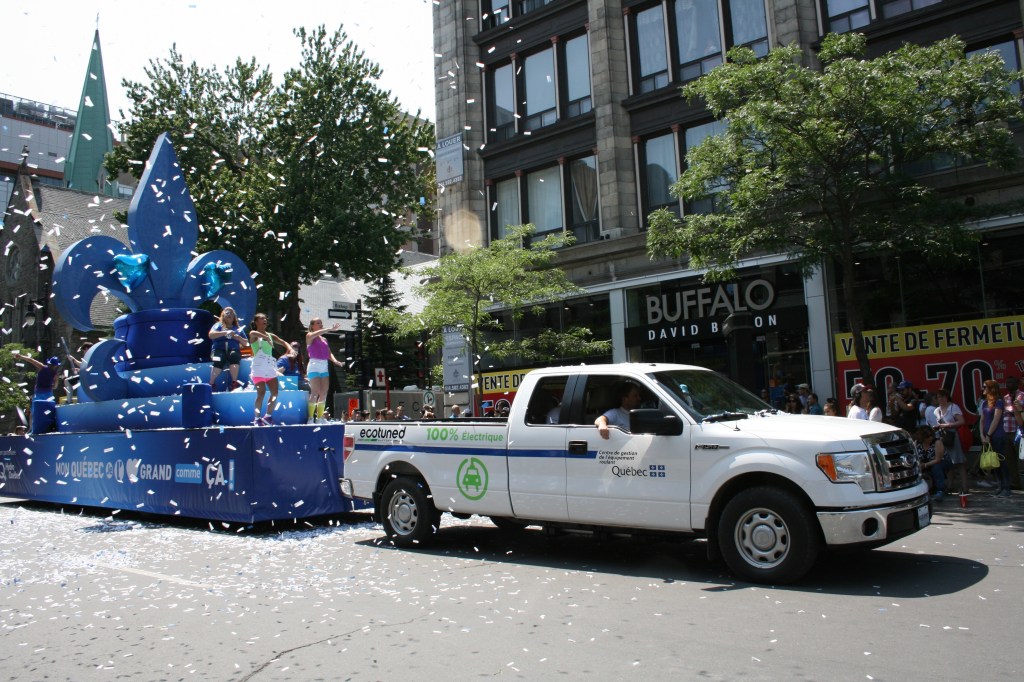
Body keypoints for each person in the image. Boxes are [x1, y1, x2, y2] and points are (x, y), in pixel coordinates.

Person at [248, 313, 291, 425]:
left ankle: (268, 416)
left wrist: (290, 348)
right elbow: (253, 333)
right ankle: (257, 418)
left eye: (265, 318)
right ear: (256, 322)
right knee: (261, 393)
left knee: (275, 393)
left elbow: (283, 342)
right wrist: (265, 337)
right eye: (261, 318)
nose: (264, 320)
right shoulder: (254, 334)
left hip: (270, 368)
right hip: (258, 368)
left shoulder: (271, 335)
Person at [305, 317, 344, 423]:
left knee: (324, 393)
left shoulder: (324, 339)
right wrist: (329, 329)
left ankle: (319, 418)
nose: (321, 324)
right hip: (314, 365)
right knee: (315, 392)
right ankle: (310, 418)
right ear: (312, 326)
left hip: (324, 365)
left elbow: (329, 353)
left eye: (321, 323)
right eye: (318, 323)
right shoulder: (309, 336)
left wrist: (335, 361)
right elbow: (316, 334)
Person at [978, 378, 1010, 497]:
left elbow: (996, 419)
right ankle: (1000, 486)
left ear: (991, 388)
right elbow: (981, 420)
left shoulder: (999, 402)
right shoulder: (984, 403)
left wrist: (988, 435)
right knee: (994, 463)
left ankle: (1006, 487)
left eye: (985, 387)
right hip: (987, 436)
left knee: (1001, 462)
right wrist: (982, 435)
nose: (983, 389)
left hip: (997, 436)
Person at [934, 388, 968, 495]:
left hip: (953, 436)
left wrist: (948, 425)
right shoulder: (937, 410)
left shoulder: (953, 407)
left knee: (959, 462)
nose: (941, 399)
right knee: (947, 463)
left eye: (942, 397)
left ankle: (965, 487)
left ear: (947, 397)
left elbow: (962, 421)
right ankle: (950, 486)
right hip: (942, 437)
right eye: (939, 397)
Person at [209, 307, 248, 391]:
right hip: (219, 349)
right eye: (227, 313)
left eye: (231, 313)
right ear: (223, 315)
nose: (229, 314)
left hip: (233, 349)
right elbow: (211, 335)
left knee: (234, 356)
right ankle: (211, 383)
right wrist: (225, 332)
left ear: (234, 317)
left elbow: (246, 343)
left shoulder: (237, 328)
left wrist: (237, 337)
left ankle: (234, 383)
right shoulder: (218, 325)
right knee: (219, 359)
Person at [913, 426, 948, 501]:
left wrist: (925, 465)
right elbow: (914, 456)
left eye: (931, 435)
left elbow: (938, 459)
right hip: (925, 463)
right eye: (927, 436)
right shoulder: (916, 443)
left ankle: (940, 490)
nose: (930, 438)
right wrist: (919, 464)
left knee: (936, 467)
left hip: (941, 462)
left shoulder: (937, 442)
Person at [1001, 376, 1023, 491]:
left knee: (1022, 458)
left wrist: (1013, 410)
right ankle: (1015, 483)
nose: (1008, 384)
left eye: (1011, 382)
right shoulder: (1005, 398)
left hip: (1018, 431)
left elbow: (1020, 410)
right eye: (1007, 382)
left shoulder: (1021, 395)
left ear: (1017, 384)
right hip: (1006, 431)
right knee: (1010, 459)